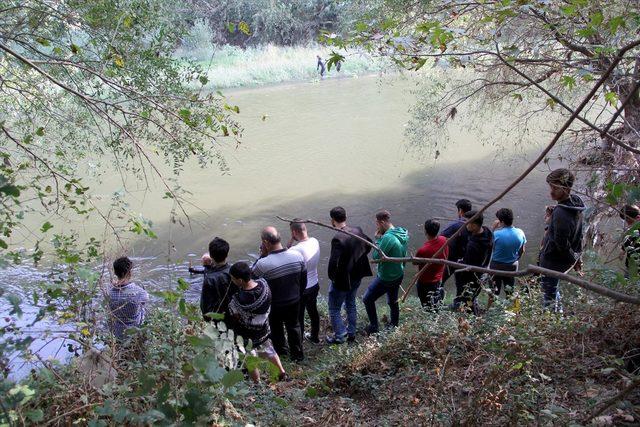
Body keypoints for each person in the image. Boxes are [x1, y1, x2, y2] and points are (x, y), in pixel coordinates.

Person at [252, 226, 307, 362]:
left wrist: (262, 256)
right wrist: (298, 295)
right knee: (294, 326)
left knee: (276, 329)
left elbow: (251, 280)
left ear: (265, 242)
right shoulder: (297, 256)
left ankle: (282, 352)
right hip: (294, 300)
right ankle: (298, 356)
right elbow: (303, 280)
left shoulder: (263, 264)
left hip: (274, 304)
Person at [227, 262, 286, 382]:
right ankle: (281, 372)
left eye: (232, 279)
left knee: (249, 357)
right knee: (269, 349)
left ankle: (257, 382)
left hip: (247, 334)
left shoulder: (239, 300)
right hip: (263, 327)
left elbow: (236, 315)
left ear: (240, 280)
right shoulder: (264, 285)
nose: (231, 281)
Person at [538, 168, 585, 312]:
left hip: (553, 262)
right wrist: (576, 259)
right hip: (563, 262)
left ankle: (551, 324)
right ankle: (559, 314)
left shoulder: (561, 213)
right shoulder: (576, 204)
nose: (551, 192)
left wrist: (574, 260)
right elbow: (577, 234)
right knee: (554, 289)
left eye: (555, 188)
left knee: (548, 296)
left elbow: (561, 244)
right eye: (550, 187)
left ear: (566, 188)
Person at [326, 207, 373, 344]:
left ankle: (340, 335)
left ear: (332, 221)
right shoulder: (357, 230)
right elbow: (369, 245)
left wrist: (333, 278)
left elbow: (333, 263)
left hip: (343, 280)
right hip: (357, 275)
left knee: (334, 308)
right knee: (351, 303)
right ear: (345, 217)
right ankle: (351, 333)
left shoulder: (338, 238)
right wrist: (357, 258)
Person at [364, 210, 409, 333]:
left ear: (382, 222)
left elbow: (376, 256)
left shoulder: (388, 238)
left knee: (367, 299)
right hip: (398, 273)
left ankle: (374, 327)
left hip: (387, 277)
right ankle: (394, 325)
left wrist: (378, 239)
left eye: (377, 224)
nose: (377, 227)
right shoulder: (401, 232)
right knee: (392, 301)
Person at [453, 211, 493, 314]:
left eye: (467, 222)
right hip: (483, 272)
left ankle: (469, 321)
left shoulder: (473, 245)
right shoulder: (488, 232)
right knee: (472, 297)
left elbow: (467, 267)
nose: (464, 224)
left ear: (474, 225)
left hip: (470, 279)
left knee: (465, 300)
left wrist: (459, 263)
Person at [287, 220, 321, 344]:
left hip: (302, 289)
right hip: (315, 284)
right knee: (313, 312)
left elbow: (284, 255)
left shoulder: (295, 250)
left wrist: (290, 242)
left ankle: (299, 342)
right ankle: (315, 337)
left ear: (294, 232)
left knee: (299, 317)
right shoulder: (315, 241)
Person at [189, 237, 236, 322]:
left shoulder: (209, 279)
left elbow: (204, 306)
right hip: (234, 315)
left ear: (211, 256)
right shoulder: (234, 271)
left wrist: (208, 320)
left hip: (217, 318)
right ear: (227, 254)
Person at [108, 257, 149, 341]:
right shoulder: (139, 292)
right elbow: (146, 300)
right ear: (129, 273)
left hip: (117, 332)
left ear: (115, 272)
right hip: (135, 330)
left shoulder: (109, 291)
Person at [490, 209, 526, 297]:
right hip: (512, 265)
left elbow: (489, 247)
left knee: (494, 291)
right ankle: (509, 308)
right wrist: (515, 259)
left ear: (501, 221)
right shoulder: (520, 232)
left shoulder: (496, 234)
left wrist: (493, 228)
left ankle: (489, 309)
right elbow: (522, 251)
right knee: (509, 290)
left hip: (496, 265)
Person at [440, 200, 473, 300]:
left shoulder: (456, 225)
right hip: (466, 260)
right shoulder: (475, 223)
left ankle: (438, 302)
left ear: (460, 211)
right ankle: (459, 303)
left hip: (452, 259)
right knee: (461, 284)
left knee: (440, 281)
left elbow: (441, 237)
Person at [413, 219, 449, 309]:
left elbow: (415, 262)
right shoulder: (444, 240)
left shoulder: (423, 250)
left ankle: (431, 318)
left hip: (425, 282)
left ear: (425, 231)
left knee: (426, 305)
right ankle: (437, 310)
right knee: (436, 299)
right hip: (438, 278)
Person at [620, 204, 640, 273]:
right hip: (630, 267)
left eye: (629, 222)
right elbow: (628, 241)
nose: (628, 225)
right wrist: (623, 250)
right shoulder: (631, 231)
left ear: (638, 217)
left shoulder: (635, 231)